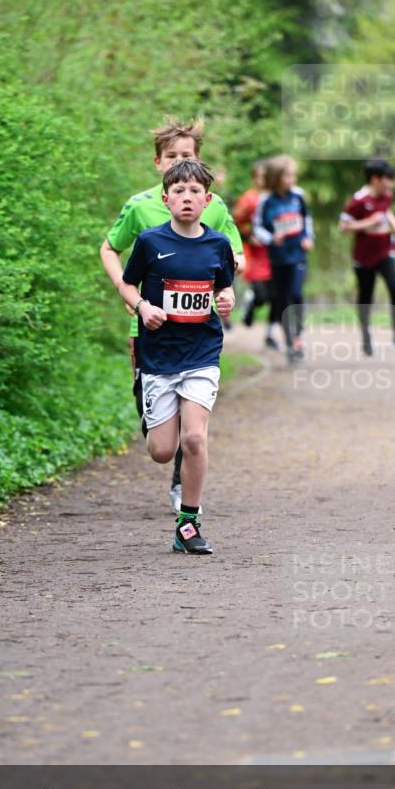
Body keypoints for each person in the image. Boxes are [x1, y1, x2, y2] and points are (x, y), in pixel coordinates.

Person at [99, 119, 243, 514]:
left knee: (192, 433)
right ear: (159, 163)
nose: (179, 162)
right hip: (149, 329)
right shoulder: (140, 209)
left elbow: (231, 257)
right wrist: (135, 300)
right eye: (172, 157)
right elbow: (111, 251)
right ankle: (166, 423)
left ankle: (184, 488)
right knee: (160, 440)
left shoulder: (212, 206)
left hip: (197, 338)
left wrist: (227, 289)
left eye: (187, 156)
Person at [119, 159, 235, 554]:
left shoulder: (218, 245)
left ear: (207, 200)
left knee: (195, 438)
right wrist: (142, 307)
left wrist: (226, 299)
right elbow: (127, 284)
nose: (187, 197)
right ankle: (153, 410)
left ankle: (188, 523)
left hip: (202, 353)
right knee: (162, 451)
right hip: (158, 358)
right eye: (179, 191)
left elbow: (224, 289)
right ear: (166, 199)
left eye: (195, 191)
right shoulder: (150, 242)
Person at [339, 158, 395, 356]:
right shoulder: (359, 201)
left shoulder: (387, 195)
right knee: (366, 297)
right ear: (375, 179)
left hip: (385, 252)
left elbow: (385, 211)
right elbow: (343, 226)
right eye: (389, 179)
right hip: (364, 257)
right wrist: (368, 222)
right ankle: (366, 337)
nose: (392, 184)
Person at [253, 155, 313, 363]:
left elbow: (307, 219)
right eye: (287, 176)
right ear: (275, 177)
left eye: (293, 175)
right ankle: (289, 341)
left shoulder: (298, 196)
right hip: (278, 258)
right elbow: (257, 227)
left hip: (298, 254)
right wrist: (271, 238)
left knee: (297, 293)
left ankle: (298, 337)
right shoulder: (265, 201)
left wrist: (308, 238)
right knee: (283, 298)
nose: (291, 179)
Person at [232, 158, 279, 348]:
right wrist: (249, 236)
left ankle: (270, 334)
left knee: (277, 296)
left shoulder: (279, 197)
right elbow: (235, 222)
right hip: (256, 254)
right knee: (261, 295)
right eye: (260, 176)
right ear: (254, 178)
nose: (264, 180)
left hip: (277, 254)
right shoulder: (249, 199)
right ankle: (251, 302)